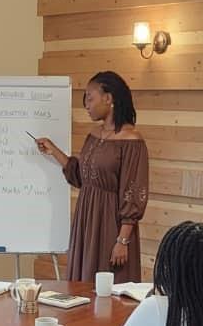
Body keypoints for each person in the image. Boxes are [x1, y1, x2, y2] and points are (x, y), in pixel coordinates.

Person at [36, 71, 148, 283]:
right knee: (83, 283)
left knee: (109, 285)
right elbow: (82, 176)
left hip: (110, 224)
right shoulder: (94, 135)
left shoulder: (132, 140)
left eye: (90, 97)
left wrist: (122, 240)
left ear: (108, 98)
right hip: (86, 219)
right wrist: (54, 151)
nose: (86, 105)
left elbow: (133, 192)